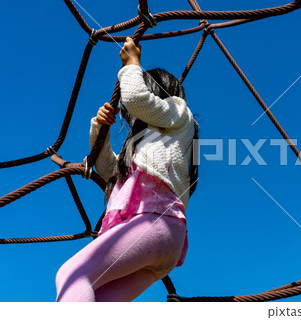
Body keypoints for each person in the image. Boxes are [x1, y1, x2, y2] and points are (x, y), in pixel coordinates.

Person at [55, 37, 198, 302]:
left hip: (153, 222)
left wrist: (132, 64)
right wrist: (101, 129)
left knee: (72, 274)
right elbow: (108, 168)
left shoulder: (180, 114)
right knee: (95, 299)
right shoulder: (146, 144)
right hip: (158, 239)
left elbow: (135, 98)